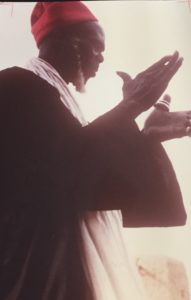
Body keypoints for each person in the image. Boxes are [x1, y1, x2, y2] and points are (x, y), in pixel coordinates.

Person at [0, 2, 190, 300]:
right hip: (32, 282)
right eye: (97, 49)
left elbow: (151, 207)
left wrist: (148, 139)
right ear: (73, 46)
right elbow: (59, 180)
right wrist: (129, 107)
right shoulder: (12, 87)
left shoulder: (66, 112)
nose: (101, 60)